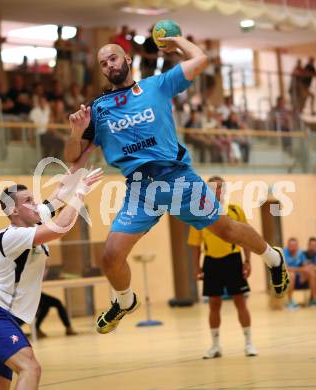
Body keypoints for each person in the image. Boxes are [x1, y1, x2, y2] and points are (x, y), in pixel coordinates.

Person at [65, 36, 289, 335]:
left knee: (226, 229)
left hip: (178, 178)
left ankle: (273, 258)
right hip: (141, 189)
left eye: (114, 58)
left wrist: (177, 42)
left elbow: (201, 60)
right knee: (110, 256)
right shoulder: (99, 109)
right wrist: (76, 131)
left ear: (128, 60)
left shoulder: (157, 86)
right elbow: (73, 158)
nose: (109, 65)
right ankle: (125, 300)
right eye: (104, 63)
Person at [0, 166, 103, 390]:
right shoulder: (12, 235)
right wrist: (80, 192)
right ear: (13, 211)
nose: (36, 204)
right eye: (28, 201)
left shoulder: (32, 222)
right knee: (31, 368)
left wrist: (68, 183)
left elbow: (54, 202)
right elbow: (60, 228)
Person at [188, 176, 257, 359]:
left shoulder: (235, 210)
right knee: (214, 304)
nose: (216, 190)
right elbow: (195, 244)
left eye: (219, 187)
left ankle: (249, 343)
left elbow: (246, 237)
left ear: (224, 190)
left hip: (233, 260)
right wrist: (196, 267)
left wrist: (248, 261)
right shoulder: (198, 212)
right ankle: (215, 345)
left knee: (240, 302)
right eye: (212, 187)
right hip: (211, 262)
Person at [283, 238, 316, 309]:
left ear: (297, 246)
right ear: (288, 246)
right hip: (286, 279)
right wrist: (301, 269)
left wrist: (309, 267)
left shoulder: (300, 253)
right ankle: (290, 301)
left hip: (299, 278)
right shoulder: (284, 252)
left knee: (312, 273)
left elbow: (305, 265)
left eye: (294, 245)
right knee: (291, 274)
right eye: (291, 245)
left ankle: (313, 300)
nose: (293, 247)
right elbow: (286, 268)